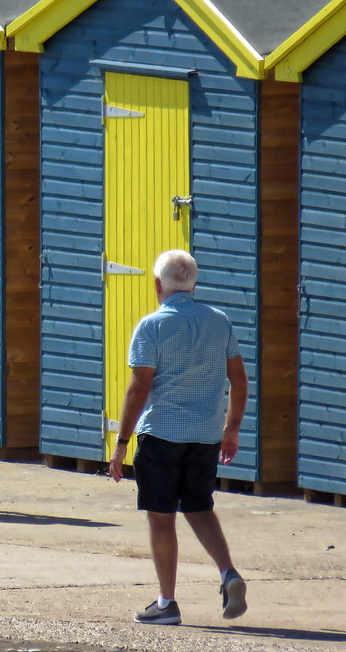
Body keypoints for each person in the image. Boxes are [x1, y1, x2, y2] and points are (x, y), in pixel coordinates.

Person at [109, 250, 248, 626]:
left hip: (162, 434)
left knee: (161, 517)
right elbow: (239, 380)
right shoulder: (220, 322)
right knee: (200, 507)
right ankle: (228, 573)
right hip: (205, 436)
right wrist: (231, 428)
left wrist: (121, 442)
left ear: (158, 285)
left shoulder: (151, 327)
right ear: (194, 284)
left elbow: (139, 388)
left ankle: (166, 601)